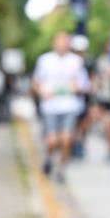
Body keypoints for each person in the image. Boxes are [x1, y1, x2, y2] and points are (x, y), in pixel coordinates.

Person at [31, 30, 90, 183]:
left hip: (70, 106)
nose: (62, 44)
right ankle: (49, 158)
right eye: (59, 41)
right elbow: (35, 83)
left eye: (65, 41)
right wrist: (42, 91)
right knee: (52, 140)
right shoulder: (44, 60)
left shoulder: (76, 61)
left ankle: (61, 170)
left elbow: (85, 85)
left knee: (66, 139)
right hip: (50, 107)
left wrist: (77, 87)